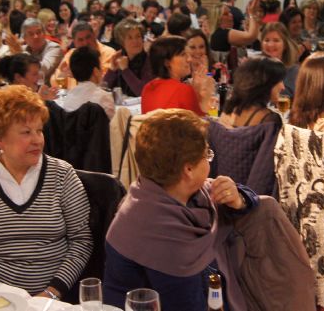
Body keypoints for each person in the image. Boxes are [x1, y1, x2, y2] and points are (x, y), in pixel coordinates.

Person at [103, 109, 258, 311]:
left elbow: (255, 200)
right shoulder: (155, 226)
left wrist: (239, 199)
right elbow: (188, 306)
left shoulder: (179, 194)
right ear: (188, 170)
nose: (209, 160)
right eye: (206, 155)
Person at [0, 85, 93, 298]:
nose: (37, 140)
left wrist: (51, 293)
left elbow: (81, 242)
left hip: (50, 299)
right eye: (26, 132)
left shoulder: (62, 175)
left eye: (39, 130)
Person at [141, 36, 209, 115]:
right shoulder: (183, 90)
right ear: (167, 62)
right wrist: (204, 97)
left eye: (188, 54)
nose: (189, 59)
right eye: (183, 55)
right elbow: (202, 124)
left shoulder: (147, 87)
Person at [219, 58, 284, 127]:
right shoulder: (268, 119)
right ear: (266, 84)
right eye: (279, 81)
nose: (283, 87)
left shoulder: (229, 109)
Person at [102, 17, 153, 97]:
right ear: (122, 42)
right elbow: (103, 89)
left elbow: (143, 92)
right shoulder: (119, 58)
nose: (135, 41)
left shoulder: (149, 60)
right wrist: (112, 69)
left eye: (138, 36)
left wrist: (125, 70)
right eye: (130, 38)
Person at [61, 47, 115, 119]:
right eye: (101, 66)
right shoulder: (104, 97)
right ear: (96, 71)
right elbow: (112, 126)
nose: (102, 70)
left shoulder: (69, 97)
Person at [258, 22, 299, 97]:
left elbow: (285, 95)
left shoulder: (294, 70)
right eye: (267, 40)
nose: (270, 45)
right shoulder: (255, 67)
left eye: (276, 40)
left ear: (285, 45)